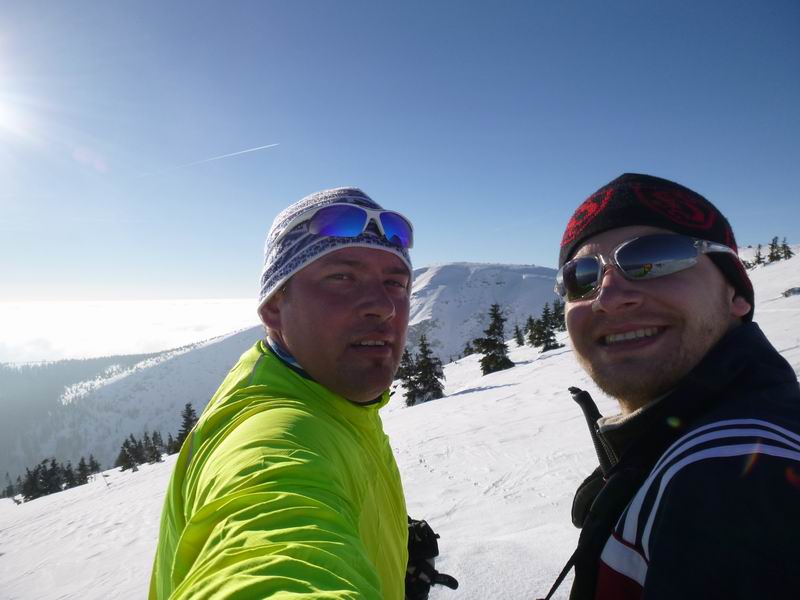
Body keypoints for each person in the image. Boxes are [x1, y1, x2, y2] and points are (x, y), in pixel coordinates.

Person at [149, 187, 455, 599]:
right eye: (342, 277)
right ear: (274, 307)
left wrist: (386, 554)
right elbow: (272, 546)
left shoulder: (337, 401)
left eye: (395, 282)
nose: (383, 305)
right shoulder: (271, 438)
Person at [540, 173, 800, 600]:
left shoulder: (735, 478)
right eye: (581, 276)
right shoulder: (679, 448)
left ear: (736, 294)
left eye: (656, 258)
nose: (609, 297)